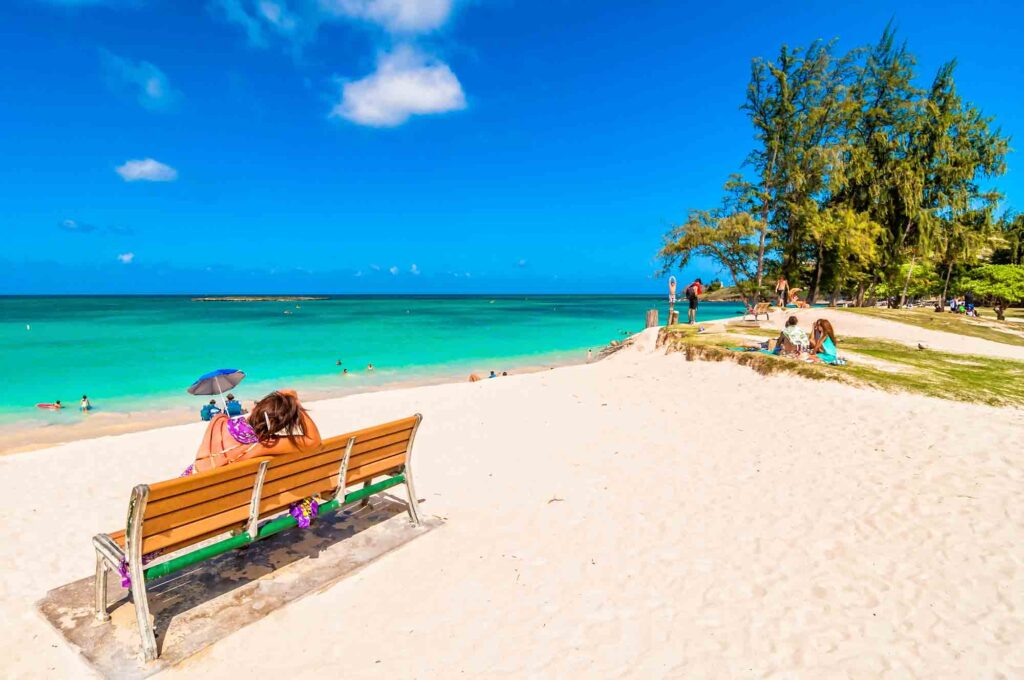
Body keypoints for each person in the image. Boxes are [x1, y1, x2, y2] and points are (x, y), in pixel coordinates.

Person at [191, 389, 322, 474]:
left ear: (255, 408)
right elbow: (313, 440)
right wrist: (296, 404)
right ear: (278, 427)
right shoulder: (263, 445)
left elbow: (234, 427)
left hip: (191, 482)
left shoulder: (217, 421)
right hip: (221, 497)